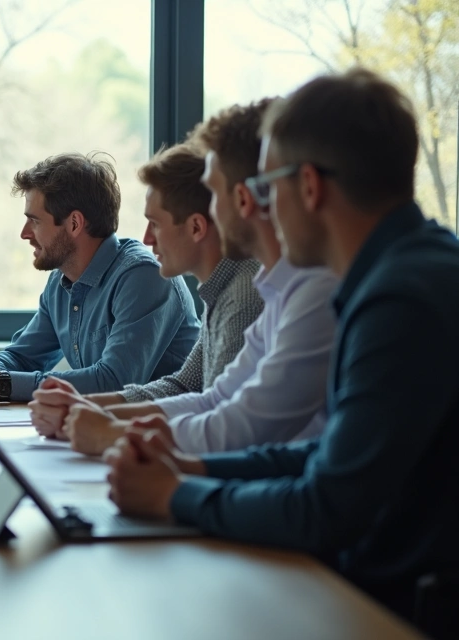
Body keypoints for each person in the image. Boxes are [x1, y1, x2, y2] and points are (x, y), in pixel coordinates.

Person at [105, 67, 459, 625]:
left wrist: (174, 496)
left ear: (310, 187)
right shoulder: (402, 271)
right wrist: (189, 468)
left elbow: (328, 507)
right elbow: (326, 456)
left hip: (398, 609)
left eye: (267, 188)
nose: (258, 208)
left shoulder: (401, 300)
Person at [33, 99, 339, 456]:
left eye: (218, 193)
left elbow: (238, 423)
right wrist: (99, 411)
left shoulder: (260, 294)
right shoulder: (265, 287)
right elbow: (204, 392)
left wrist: (114, 432)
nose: (147, 239)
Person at [0, 152, 200, 404]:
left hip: (166, 436)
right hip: (110, 431)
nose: (24, 233)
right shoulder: (61, 280)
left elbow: (115, 382)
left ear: (74, 223)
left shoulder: (143, 277)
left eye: (35, 221)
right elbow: (23, 356)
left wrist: (0, 384)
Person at [82, 143, 262, 407]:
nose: (146, 238)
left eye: (155, 224)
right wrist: (91, 405)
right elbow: (184, 385)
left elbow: (220, 412)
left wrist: (108, 424)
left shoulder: (244, 296)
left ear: (196, 227)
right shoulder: (220, 289)